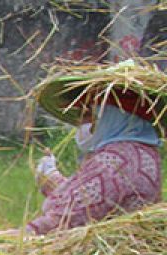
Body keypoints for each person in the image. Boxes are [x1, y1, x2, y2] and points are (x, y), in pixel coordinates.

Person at [25, 61, 163, 235]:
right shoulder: (143, 153)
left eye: (89, 115)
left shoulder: (115, 159)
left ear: (111, 117)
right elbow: (94, 199)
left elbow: (64, 219)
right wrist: (51, 179)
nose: (83, 124)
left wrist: (6, 243)